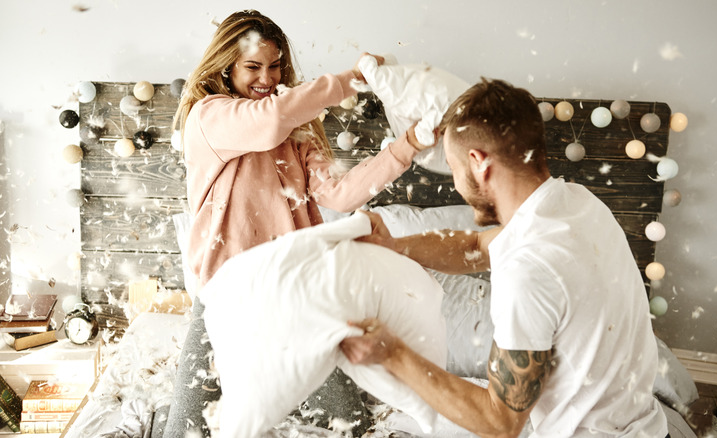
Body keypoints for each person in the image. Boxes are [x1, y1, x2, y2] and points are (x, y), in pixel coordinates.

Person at [340, 79, 669, 437]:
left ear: (478, 162)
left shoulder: (526, 269)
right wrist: (394, 247)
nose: (455, 183)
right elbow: (478, 247)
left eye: (453, 168)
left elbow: (501, 422)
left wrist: (393, 355)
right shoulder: (578, 203)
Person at [164, 10, 433, 437]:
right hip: (226, 293)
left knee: (349, 423)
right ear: (226, 65)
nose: (266, 78)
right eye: (252, 67)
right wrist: (351, 79)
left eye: (275, 67)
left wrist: (408, 145)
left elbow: (339, 195)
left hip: (294, 291)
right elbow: (268, 120)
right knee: (186, 427)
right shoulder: (208, 116)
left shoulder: (295, 132)